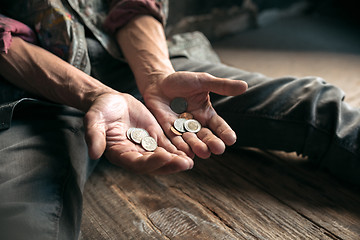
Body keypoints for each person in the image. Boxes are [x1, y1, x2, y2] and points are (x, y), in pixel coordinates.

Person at [0, 0, 359, 239]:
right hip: (30, 90)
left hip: (129, 60)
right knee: (24, 224)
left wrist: (156, 75)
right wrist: (95, 94)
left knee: (314, 103)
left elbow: (133, 3)